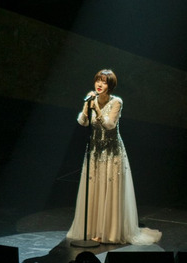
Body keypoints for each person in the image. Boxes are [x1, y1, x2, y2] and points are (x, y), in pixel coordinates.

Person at [66, 69, 162, 245]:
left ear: (110, 85)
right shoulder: (92, 100)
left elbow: (110, 125)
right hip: (94, 152)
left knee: (109, 191)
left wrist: (97, 109)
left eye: (104, 82)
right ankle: (92, 229)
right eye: (98, 81)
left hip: (112, 152)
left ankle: (108, 232)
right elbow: (82, 122)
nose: (99, 84)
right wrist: (86, 106)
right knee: (94, 189)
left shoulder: (117, 102)